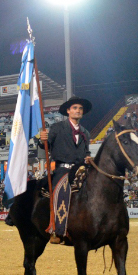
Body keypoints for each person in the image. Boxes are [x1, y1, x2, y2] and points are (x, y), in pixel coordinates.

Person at [38, 96, 92, 242]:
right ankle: (56, 230)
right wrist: (41, 139)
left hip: (81, 169)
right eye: (75, 108)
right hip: (63, 169)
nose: (78, 110)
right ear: (68, 111)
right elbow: (46, 145)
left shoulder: (86, 133)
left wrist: (88, 158)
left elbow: (87, 152)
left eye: (80, 108)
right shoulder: (57, 127)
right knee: (59, 190)